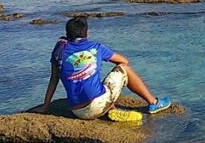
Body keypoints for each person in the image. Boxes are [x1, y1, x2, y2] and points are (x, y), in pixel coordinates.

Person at [42, 16, 172, 120]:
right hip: (97, 104)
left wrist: (46, 106)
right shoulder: (96, 47)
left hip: (77, 111)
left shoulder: (59, 51)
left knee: (90, 81)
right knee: (124, 68)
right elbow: (124, 61)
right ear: (86, 32)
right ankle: (154, 103)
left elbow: (54, 79)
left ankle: (111, 108)